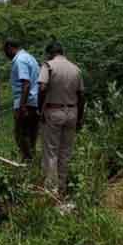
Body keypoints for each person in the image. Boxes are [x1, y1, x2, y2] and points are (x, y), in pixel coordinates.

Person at [37, 41, 85, 205]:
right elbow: (81, 95)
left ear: (50, 53)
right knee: (65, 151)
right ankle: (63, 187)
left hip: (53, 111)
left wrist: (39, 109)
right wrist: (80, 117)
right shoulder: (75, 69)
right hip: (72, 111)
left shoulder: (48, 66)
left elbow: (42, 88)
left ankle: (52, 191)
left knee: (51, 152)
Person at [3, 39, 40, 163]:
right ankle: (32, 164)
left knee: (21, 135)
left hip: (26, 104)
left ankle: (27, 163)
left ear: (10, 47)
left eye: (5, 51)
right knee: (31, 136)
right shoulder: (30, 58)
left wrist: (21, 107)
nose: (6, 54)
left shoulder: (20, 60)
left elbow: (26, 83)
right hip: (34, 102)